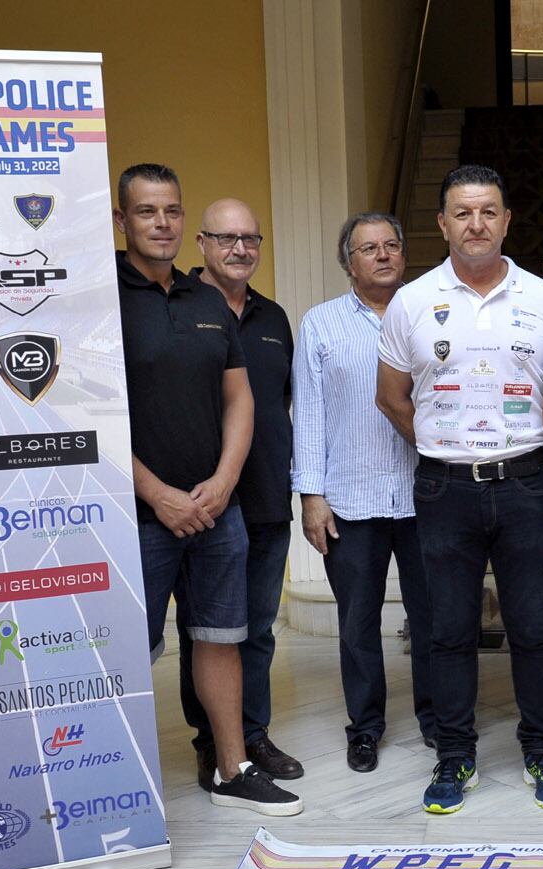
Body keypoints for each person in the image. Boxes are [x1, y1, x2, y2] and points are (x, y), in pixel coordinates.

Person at [375, 165, 543, 815]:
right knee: (449, 630)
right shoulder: (411, 300)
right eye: (462, 212)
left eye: (488, 210)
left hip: (526, 482)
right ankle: (454, 755)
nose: (476, 223)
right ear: (442, 223)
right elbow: (392, 397)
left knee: (538, 627)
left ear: (508, 220)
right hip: (445, 488)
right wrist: (444, 443)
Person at [114, 163, 301, 816]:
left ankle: (232, 767)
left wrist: (222, 485)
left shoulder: (206, 305)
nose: (161, 222)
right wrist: (158, 493)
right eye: (146, 212)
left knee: (224, 636)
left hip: (218, 513)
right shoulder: (100, 297)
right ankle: (113, 785)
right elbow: (84, 412)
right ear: (121, 221)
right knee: (127, 648)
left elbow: (240, 399)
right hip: (136, 514)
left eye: (170, 209)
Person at [295, 212, 437, 773]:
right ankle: (366, 726)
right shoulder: (321, 324)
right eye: (368, 248)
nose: (382, 256)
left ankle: (437, 717)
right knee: (357, 622)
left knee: (435, 617)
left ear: (404, 253)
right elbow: (306, 413)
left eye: (392, 246)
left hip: (427, 496)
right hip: (349, 500)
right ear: (348, 262)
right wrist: (310, 494)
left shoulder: (429, 313)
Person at [174, 198, 305, 792]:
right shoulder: (176, 310)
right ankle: (212, 742)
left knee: (256, 629)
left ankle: (251, 735)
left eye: (251, 239)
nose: (240, 250)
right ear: (201, 242)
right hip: (204, 505)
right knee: (205, 632)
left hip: (266, 501)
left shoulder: (273, 318)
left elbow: (280, 406)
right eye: (226, 238)